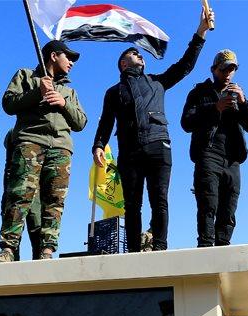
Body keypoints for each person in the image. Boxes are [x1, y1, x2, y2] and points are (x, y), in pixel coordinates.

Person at [92, 9, 214, 253]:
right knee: (132, 205)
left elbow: (185, 65)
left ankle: (159, 246)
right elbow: (105, 122)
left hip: (159, 146)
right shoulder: (113, 92)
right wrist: (97, 145)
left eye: (140, 53)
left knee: (159, 200)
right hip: (129, 152)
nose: (140, 54)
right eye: (133, 52)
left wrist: (200, 33)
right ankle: (135, 251)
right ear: (123, 64)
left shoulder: (158, 82)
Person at [0, 40, 87, 263]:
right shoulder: (25, 75)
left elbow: (81, 122)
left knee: (55, 201)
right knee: (19, 195)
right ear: (54, 56)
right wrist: (37, 92)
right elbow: (8, 104)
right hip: (30, 141)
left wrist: (64, 103)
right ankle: (8, 248)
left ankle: (47, 250)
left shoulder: (69, 91)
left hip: (61, 148)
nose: (71, 62)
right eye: (68, 57)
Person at [181, 48, 248, 247]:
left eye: (232, 69)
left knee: (229, 209)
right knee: (208, 205)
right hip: (208, 154)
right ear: (213, 69)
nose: (227, 74)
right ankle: (206, 246)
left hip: (233, 158)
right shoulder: (198, 92)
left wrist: (244, 102)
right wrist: (215, 107)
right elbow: (186, 122)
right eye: (224, 69)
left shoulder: (237, 92)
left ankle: (224, 247)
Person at [0, 130, 42, 261]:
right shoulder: (15, 133)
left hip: (35, 189)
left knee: (36, 228)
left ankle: (40, 266)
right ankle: (12, 263)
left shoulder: (36, 132)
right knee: (13, 228)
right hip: (16, 186)